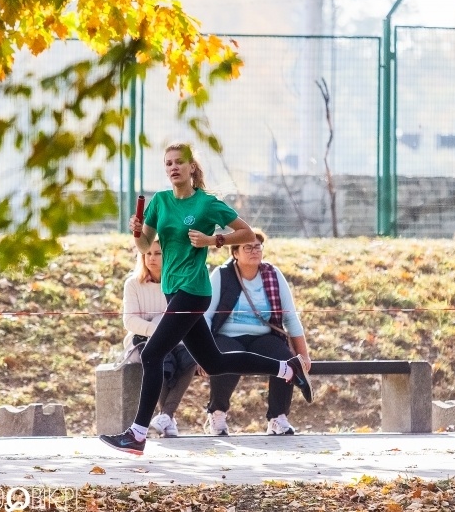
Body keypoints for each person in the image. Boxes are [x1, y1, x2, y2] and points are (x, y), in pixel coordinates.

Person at [99, 142, 312, 455]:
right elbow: (145, 246)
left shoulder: (206, 204)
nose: (173, 167)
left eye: (178, 162)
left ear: (190, 168)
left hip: (194, 291)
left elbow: (247, 233)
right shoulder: (159, 202)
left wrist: (215, 240)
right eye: (168, 163)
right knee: (213, 362)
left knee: (150, 355)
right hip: (173, 289)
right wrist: (136, 231)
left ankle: (137, 434)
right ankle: (287, 368)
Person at [203, 229, 311, 436]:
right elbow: (206, 316)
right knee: (225, 358)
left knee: (285, 360)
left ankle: (278, 418)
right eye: (247, 247)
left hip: (262, 336)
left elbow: (290, 317)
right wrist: (203, 352)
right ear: (235, 252)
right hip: (226, 335)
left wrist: (303, 354)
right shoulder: (221, 275)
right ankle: (217, 413)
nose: (254, 251)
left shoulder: (273, 274)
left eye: (257, 246)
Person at [121, 237, 197, 438]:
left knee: (191, 358)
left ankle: (165, 416)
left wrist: (169, 332)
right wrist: (161, 331)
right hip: (142, 339)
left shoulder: (179, 283)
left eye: (157, 253)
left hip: (177, 339)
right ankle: (168, 417)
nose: (151, 258)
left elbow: (186, 320)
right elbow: (130, 322)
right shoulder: (133, 284)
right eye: (147, 254)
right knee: (161, 358)